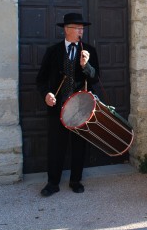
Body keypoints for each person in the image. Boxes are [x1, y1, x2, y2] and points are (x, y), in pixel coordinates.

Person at [36, 12, 100, 197]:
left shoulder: (89, 51)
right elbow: (40, 80)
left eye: (82, 28)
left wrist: (86, 66)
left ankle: (75, 180)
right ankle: (52, 183)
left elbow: (95, 78)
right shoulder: (53, 51)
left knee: (79, 145)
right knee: (56, 145)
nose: (81, 31)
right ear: (67, 30)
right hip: (57, 107)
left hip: (80, 108)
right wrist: (46, 94)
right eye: (77, 28)